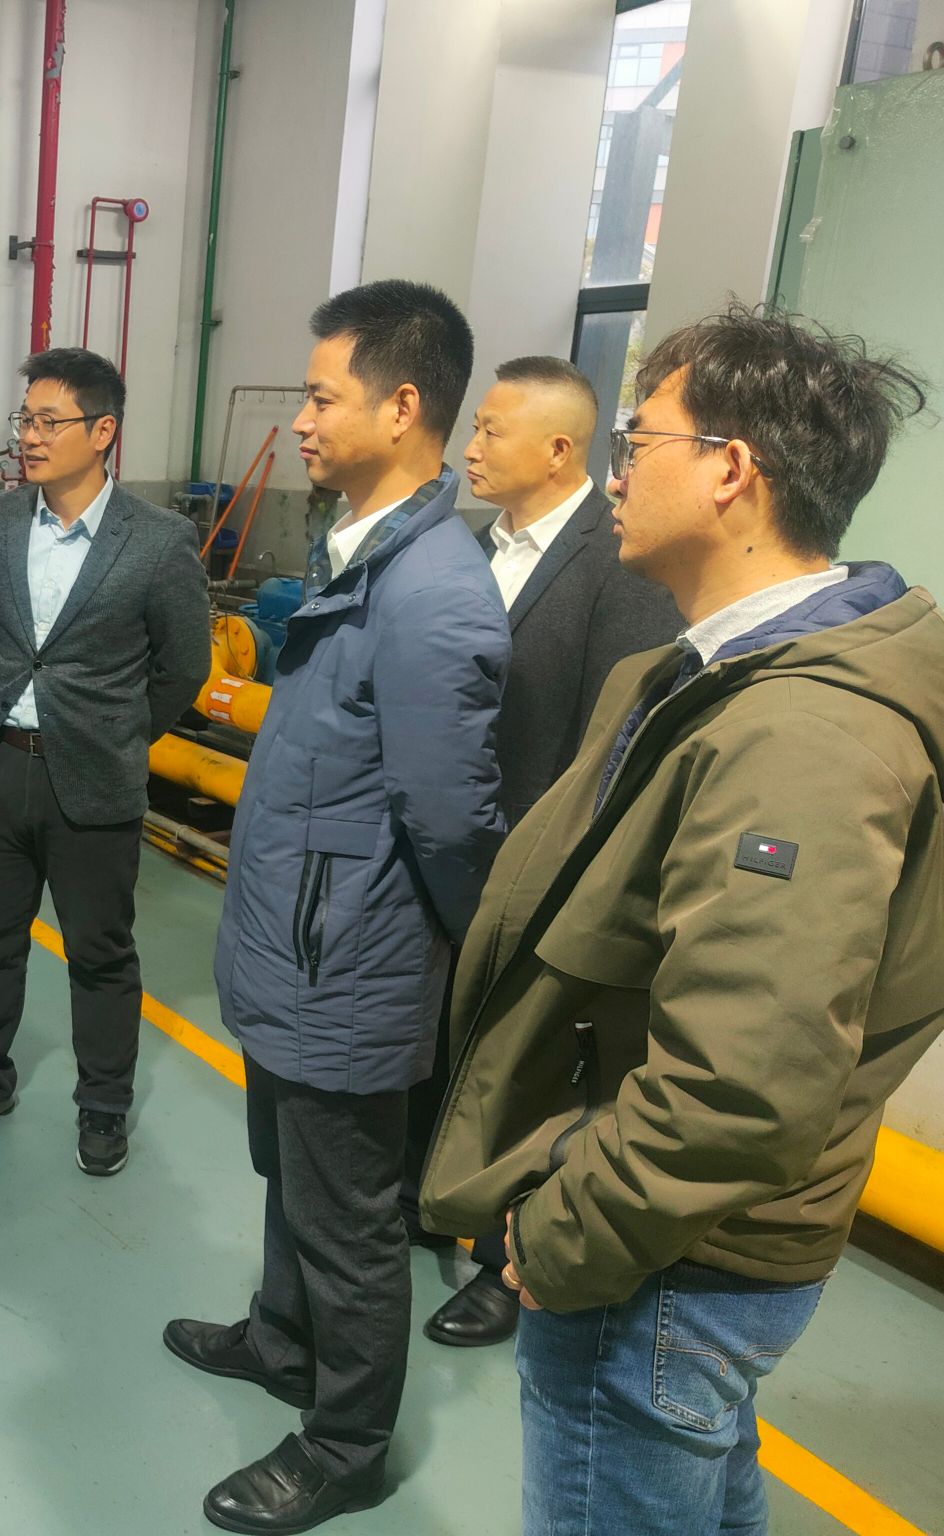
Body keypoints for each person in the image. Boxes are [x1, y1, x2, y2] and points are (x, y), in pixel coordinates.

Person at [420, 304, 941, 1536]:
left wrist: (565, 1233)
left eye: (635, 442)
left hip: (664, 1264)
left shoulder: (801, 737)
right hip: (672, 1240)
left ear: (727, 469)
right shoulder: (712, 672)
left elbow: (741, 1085)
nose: (611, 476)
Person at [167, 281, 507, 1532]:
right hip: (298, 944)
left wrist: (419, 961)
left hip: (347, 963)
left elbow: (452, 828)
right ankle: (281, 1340)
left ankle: (346, 1441)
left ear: (400, 406)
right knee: (291, 1177)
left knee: (352, 1221)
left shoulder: (431, 596)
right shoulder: (360, 554)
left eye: (320, 397)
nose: (300, 421)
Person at [409, 355, 678, 1350]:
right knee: (442, 1038)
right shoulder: (473, 544)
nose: (470, 446)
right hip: (457, 851)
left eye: (490, 430)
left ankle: (501, 1261)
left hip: (542, 867)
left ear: (559, 449)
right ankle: (428, 1194)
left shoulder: (614, 563)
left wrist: (567, 874)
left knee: (526, 1066)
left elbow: (615, 738)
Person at [0, 347, 209, 1176]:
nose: (29, 437)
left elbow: (184, 667)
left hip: (96, 775)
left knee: (100, 953)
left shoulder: (159, 540)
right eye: (24, 420)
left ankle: (103, 1103)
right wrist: (12, 696)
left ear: (102, 431)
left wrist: (117, 732)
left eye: (49, 422)